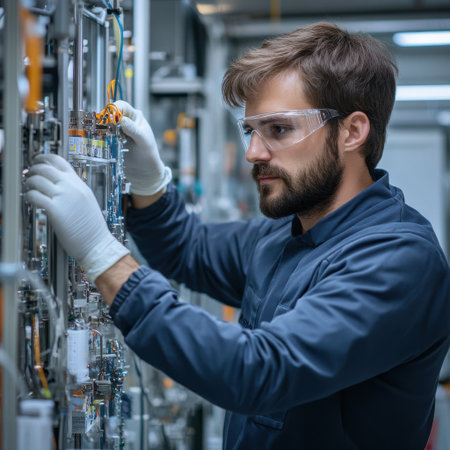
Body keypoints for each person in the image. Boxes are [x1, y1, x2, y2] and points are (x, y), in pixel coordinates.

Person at [25, 22, 450, 450]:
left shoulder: (399, 259)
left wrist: (103, 255)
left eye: (278, 130)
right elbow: (187, 249)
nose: (254, 153)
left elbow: (256, 372)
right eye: (252, 130)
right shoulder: (285, 234)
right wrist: (150, 184)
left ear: (352, 132)